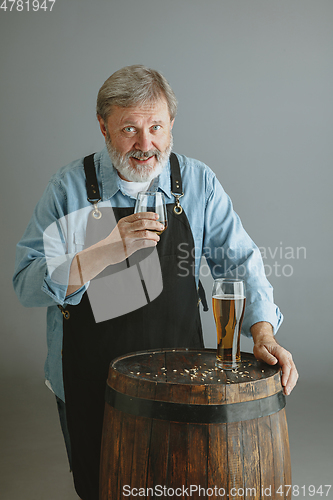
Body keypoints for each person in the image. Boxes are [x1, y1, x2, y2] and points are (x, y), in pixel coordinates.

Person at [13, 65, 298, 500]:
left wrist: (263, 331)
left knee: (183, 488)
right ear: (103, 127)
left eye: (156, 127)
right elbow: (26, 282)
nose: (145, 144)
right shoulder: (69, 188)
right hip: (91, 381)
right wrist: (104, 251)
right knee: (103, 488)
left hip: (183, 384)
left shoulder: (197, 183)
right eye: (129, 128)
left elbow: (239, 260)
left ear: (171, 126)